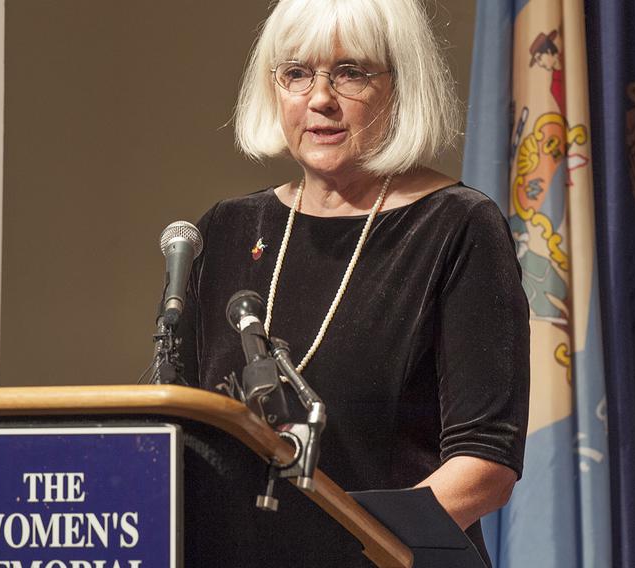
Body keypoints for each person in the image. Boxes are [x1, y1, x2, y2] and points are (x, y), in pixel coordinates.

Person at [176, 0, 530, 564]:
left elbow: (485, 465)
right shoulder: (225, 230)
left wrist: (339, 544)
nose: (320, 99)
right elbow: (186, 428)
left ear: (400, 86)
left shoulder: (457, 226)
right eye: (296, 73)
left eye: (351, 73)